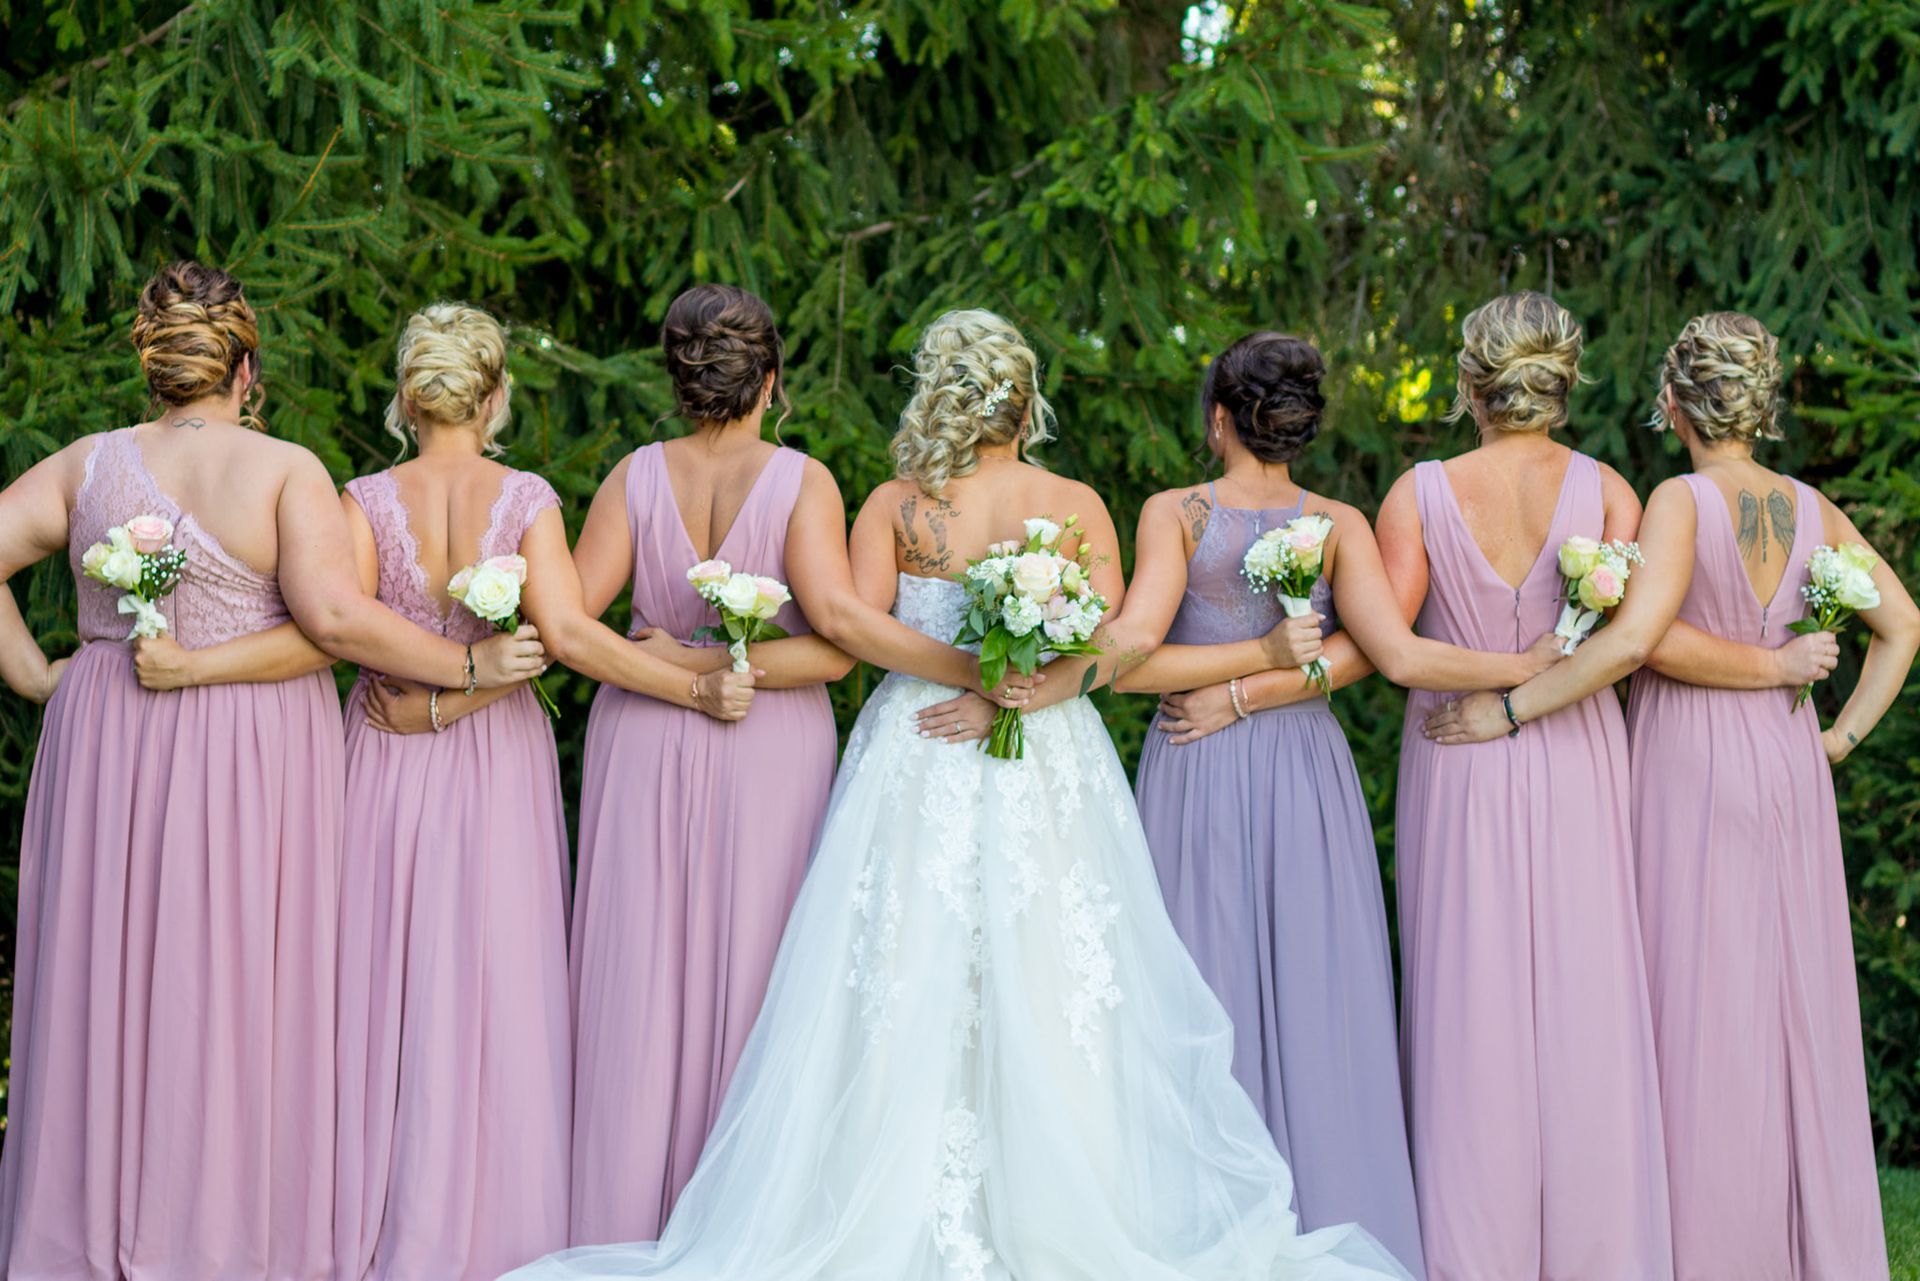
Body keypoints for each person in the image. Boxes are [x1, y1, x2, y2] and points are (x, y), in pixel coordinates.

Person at [503, 308, 1411, 1281]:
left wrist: (959, 676)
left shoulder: (899, 502)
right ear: (1024, 401)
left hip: (918, 744)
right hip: (1041, 750)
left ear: (938, 393)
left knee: (909, 967)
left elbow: (851, 623)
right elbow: (1114, 636)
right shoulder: (1073, 503)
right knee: (1049, 974)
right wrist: (1022, 684)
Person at [0, 262, 544, 1279]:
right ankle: (223, 1240)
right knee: (240, 995)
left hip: (107, 745)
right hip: (247, 761)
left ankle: (88, 1235)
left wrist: (44, 679)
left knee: (105, 982)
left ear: (153, 363)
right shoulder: (287, 468)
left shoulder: (86, 464)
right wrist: (468, 664)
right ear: (245, 368)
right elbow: (334, 622)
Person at [1424, 311, 1917, 1281]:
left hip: (1689, 764)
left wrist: (1512, 712)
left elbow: (1634, 642)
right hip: (1789, 768)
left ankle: (1705, 1252)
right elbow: (1901, 627)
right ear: (1758, 403)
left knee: (1688, 1016)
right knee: (1788, 1009)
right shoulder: (1813, 509)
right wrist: (1836, 738)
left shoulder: (1680, 501)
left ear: (1673, 404)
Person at [1376, 290, 1673, 1279]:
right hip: (1576, 747)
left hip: (1458, 753)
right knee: (1584, 998)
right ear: (1563, 383)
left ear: (1473, 383)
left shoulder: (1418, 495)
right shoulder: (1614, 494)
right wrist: (1537, 671)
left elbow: (1404, 653)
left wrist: (1497, 680)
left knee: (1467, 1002)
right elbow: (1626, 649)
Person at [559, 284, 855, 1243]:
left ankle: (626, 1213)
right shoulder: (804, 482)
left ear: (680, 381)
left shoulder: (631, 477)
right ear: (771, 380)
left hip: (643, 732)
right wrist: (720, 669)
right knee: (759, 969)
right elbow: (838, 650)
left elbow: (569, 624)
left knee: (637, 974)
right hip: (767, 736)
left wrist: (675, 663)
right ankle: (745, 1218)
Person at [331, 303, 573, 1280]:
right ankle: (490, 1228)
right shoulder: (527, 498)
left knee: (378, 977)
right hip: (495, 760)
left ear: (406, 395)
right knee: (489, 977)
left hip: (387, 746)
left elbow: (344, 628)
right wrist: (474, 684)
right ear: (497, 392)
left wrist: (436, 705)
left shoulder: (361, 499)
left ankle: (376, 1217)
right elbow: (550, 639)